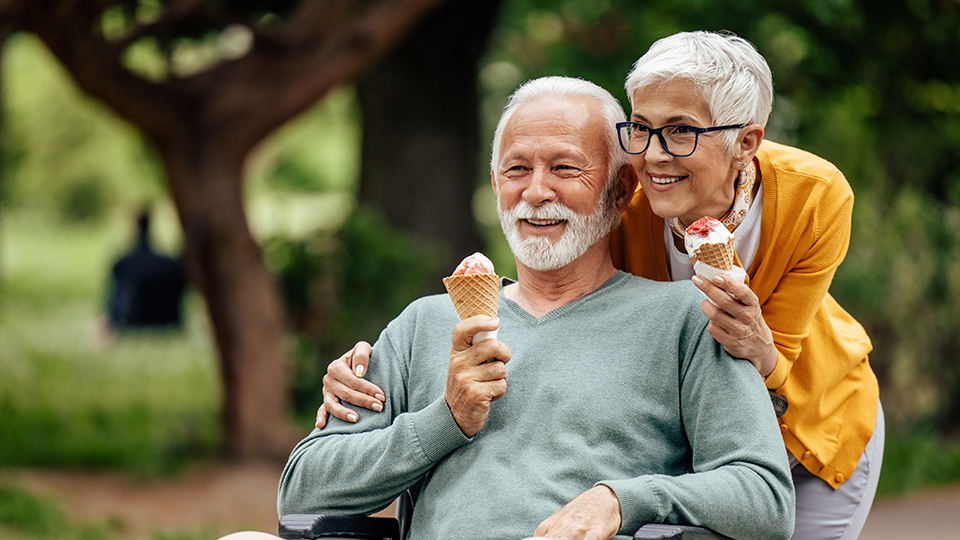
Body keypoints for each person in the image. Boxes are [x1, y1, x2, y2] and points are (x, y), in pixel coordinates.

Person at [318, 32, 882, 540]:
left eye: (681, 132)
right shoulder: (636, 198)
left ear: (745, 143)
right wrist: (420, 396)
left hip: (815, 402)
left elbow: (760, 478)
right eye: (641, 129)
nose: (655, 153)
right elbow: (558, 283)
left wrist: (627, 496)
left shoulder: (811, 199)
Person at [106, 210, 188, 331]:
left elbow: (114, 304)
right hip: (167, 322)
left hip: (132, 323)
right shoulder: (170, 265)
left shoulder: (123, 265)